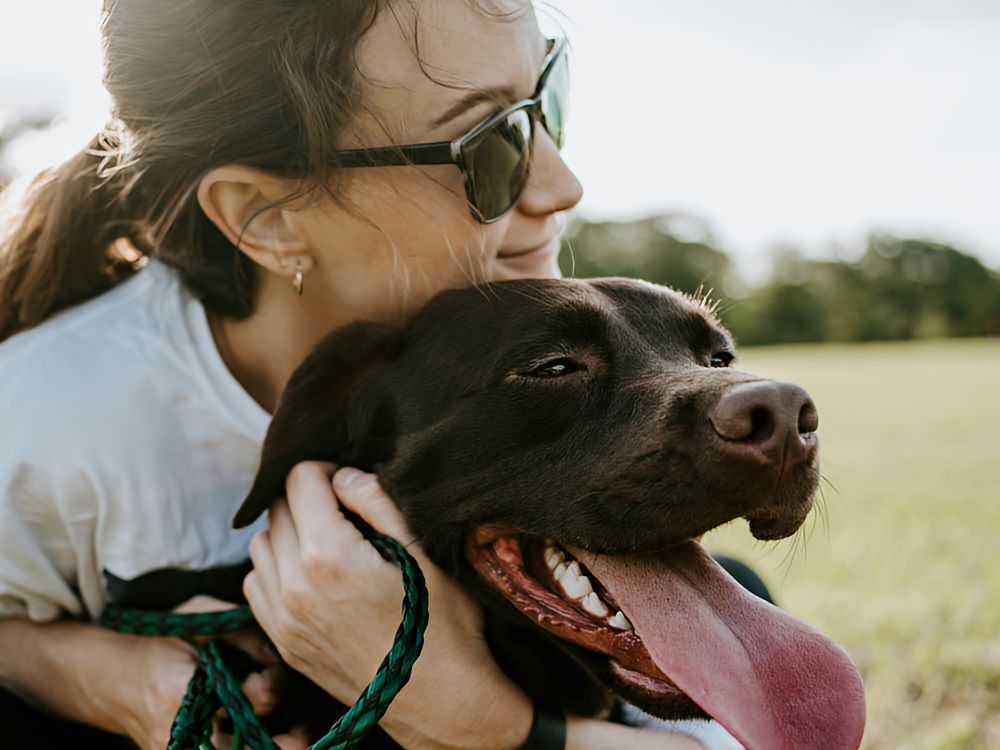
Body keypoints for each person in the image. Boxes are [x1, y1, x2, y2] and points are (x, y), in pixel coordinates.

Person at [0, 1, 744, 748]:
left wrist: (474, 720)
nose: (561, 184)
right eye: (490, 144)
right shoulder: (43, 418)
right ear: (268, 220)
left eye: (546, 96)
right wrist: (112, 680)